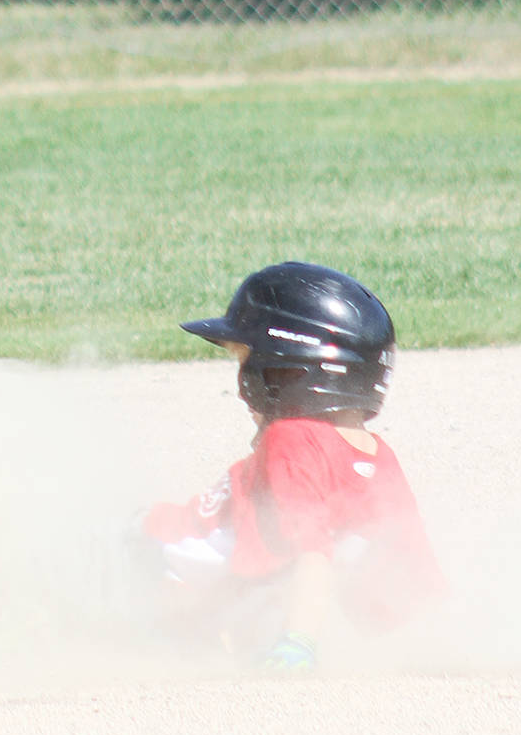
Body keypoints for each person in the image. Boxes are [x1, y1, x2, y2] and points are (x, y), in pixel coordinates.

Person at [138, 262, 444, 672]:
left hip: (151, 565)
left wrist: (298, 643)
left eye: (247, 362)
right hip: (152, 554)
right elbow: (417, 578)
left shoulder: (291, 440)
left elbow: (312, 554)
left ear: (285, 372)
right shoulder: (376, 456)